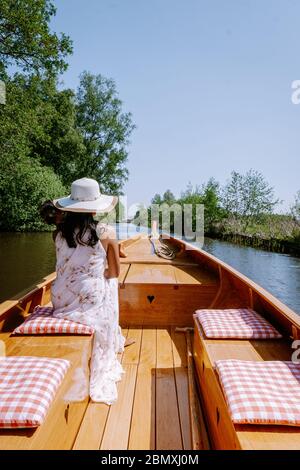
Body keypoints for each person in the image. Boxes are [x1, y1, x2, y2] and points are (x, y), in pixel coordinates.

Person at [50, 177, 126, 405]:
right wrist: (100, 274)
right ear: (94, 209)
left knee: (92, 281)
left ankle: (114, 333)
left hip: (59, 300)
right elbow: (114, 272)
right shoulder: (104, 231)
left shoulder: (58, 233)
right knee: (110, 283)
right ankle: (113, 334)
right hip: (87, 303)